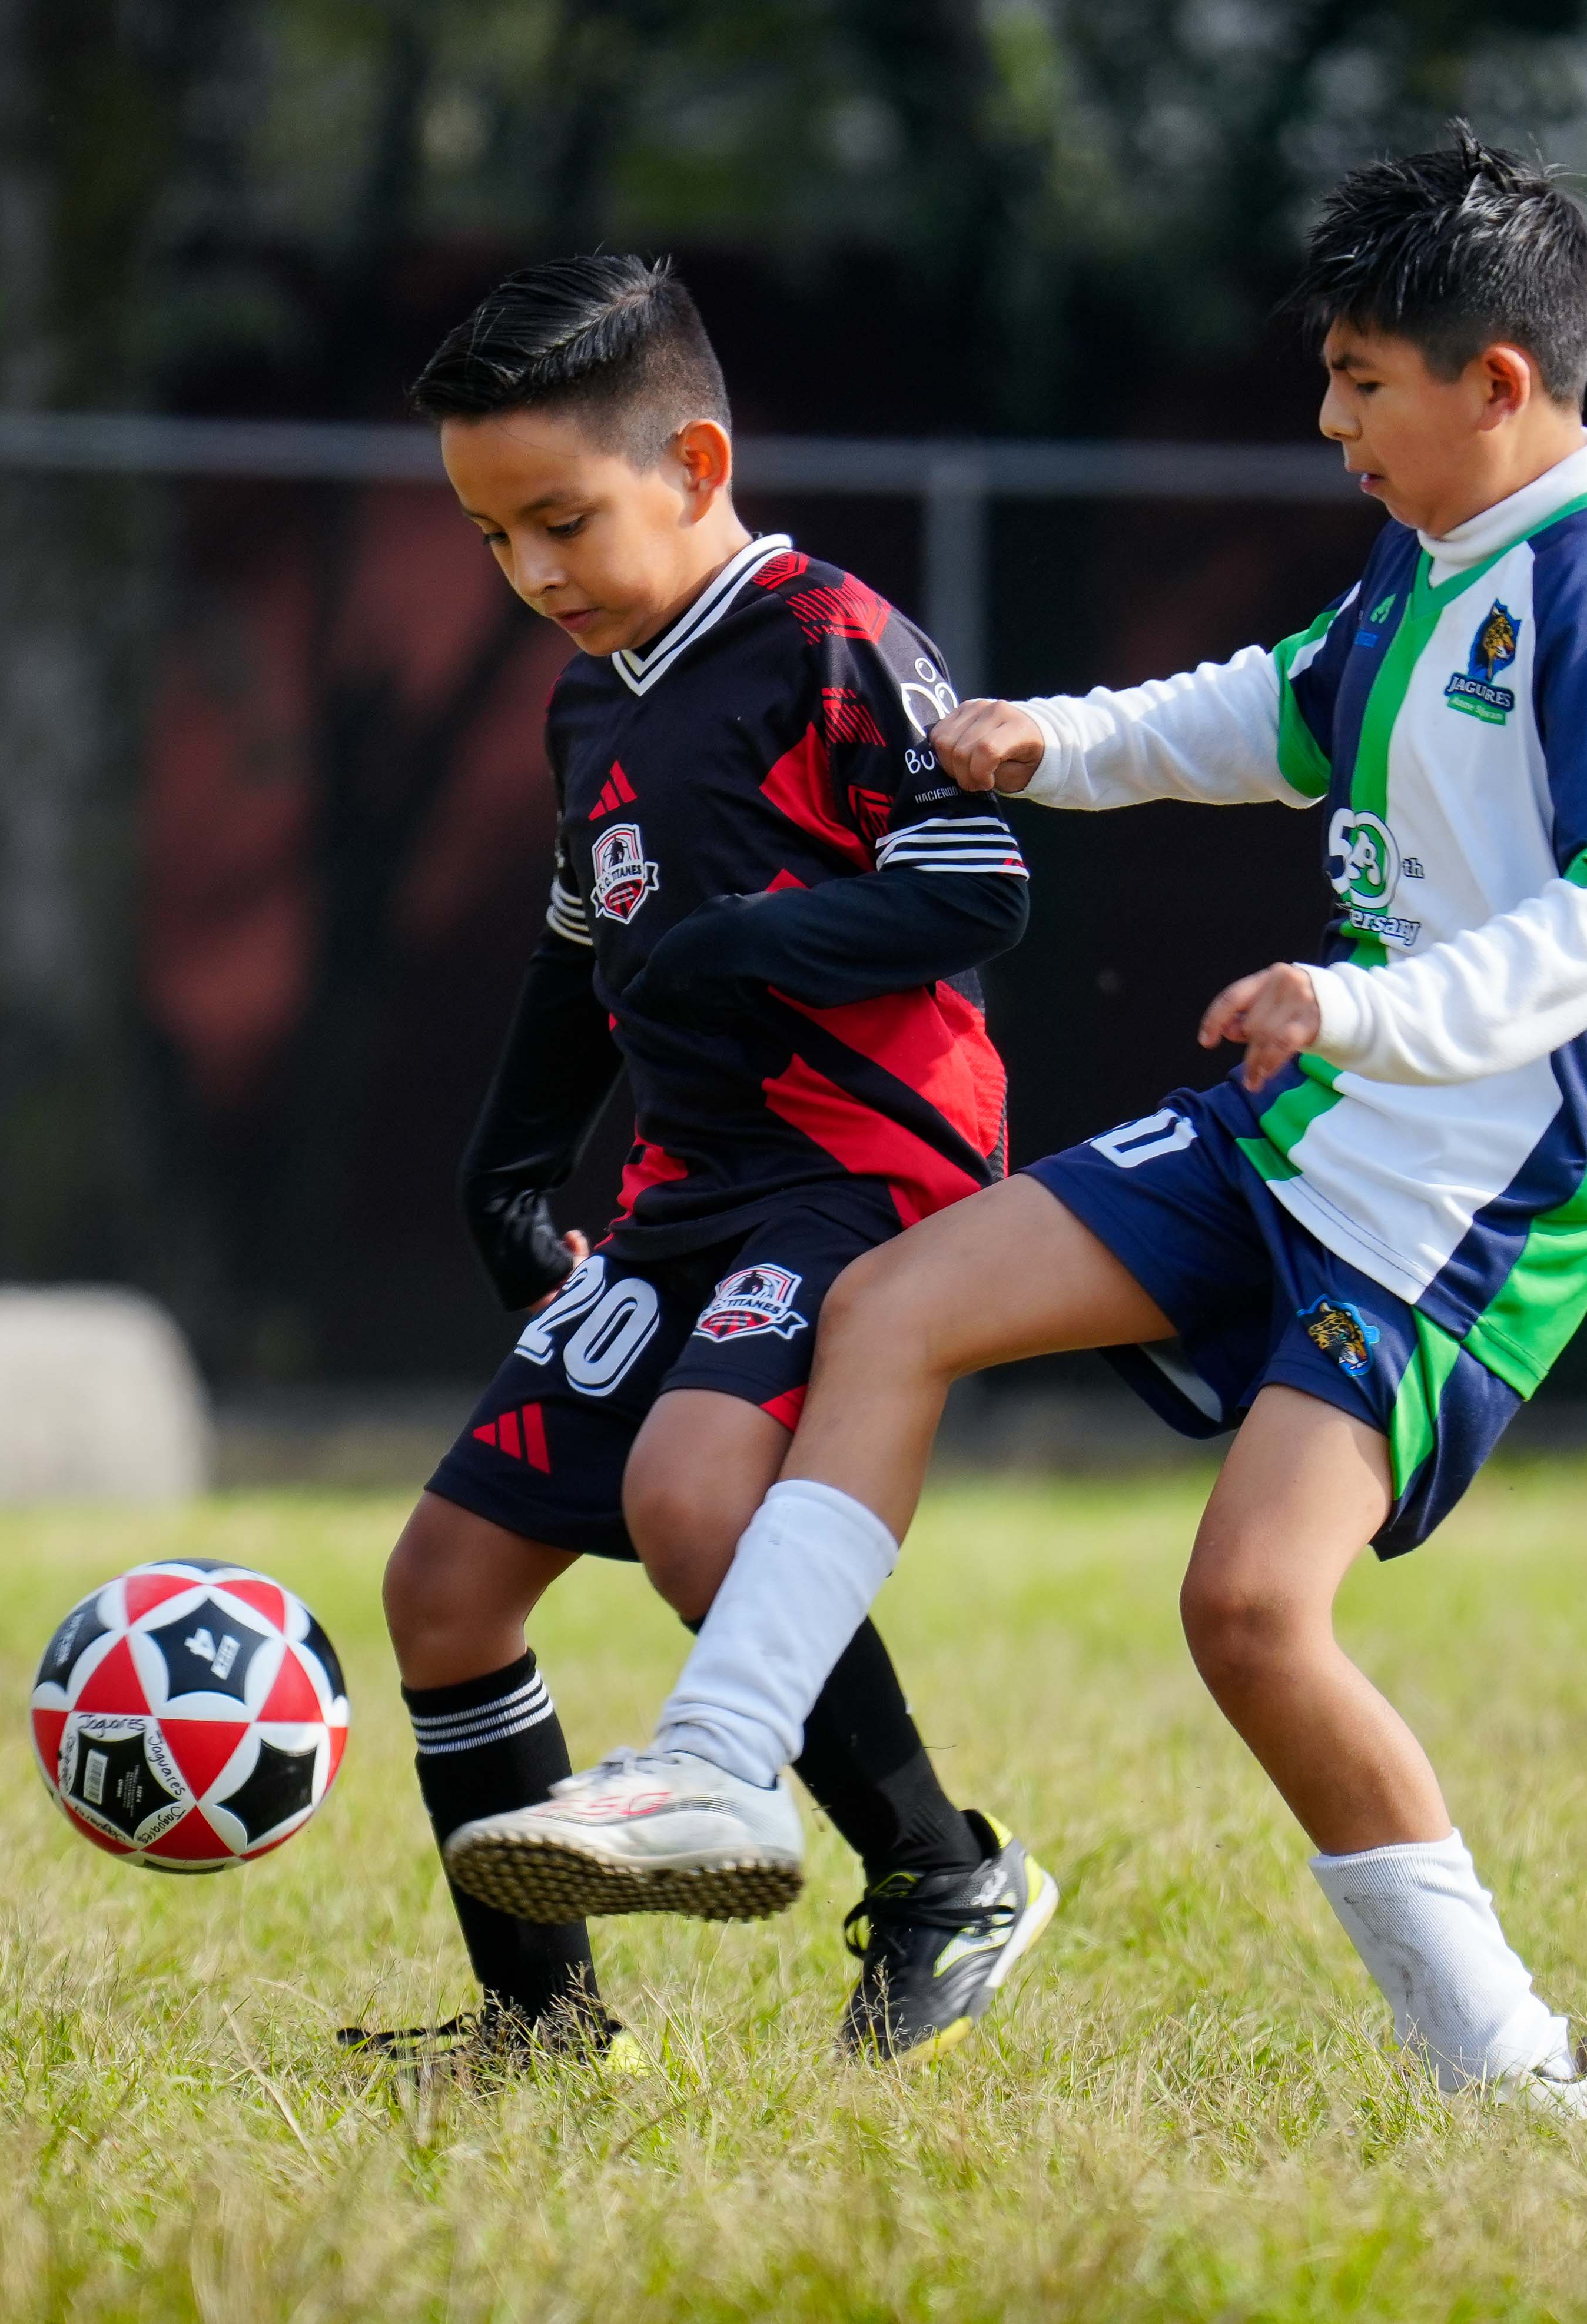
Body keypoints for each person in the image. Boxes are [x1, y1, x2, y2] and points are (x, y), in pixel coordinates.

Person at [447, 137, 1587, 2118]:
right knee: (898, 1302)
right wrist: (1064, 740)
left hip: (1477, 1191)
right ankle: (714, 1764)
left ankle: (1515, 2073)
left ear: (1496, 387)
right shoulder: (1430, 556)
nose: (1328, 418)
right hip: (1304, 1119)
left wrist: (1360, 1003)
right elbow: (1277, 707)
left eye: (1362, 380)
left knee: (1244, 1612)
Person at [340, 254, 1061, 2078]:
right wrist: (508, 1161)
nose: (532, 575)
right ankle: (541, 2026)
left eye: (559, 522)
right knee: (441, 1587)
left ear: (692, 459)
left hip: (861, 1170)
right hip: (686, 1190)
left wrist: (746, 941)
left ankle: (939, 1874)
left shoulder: (825, 637)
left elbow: (978, 887)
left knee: (690, 1501)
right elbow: (589, 948)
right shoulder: (591, 701)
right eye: (496, 539)